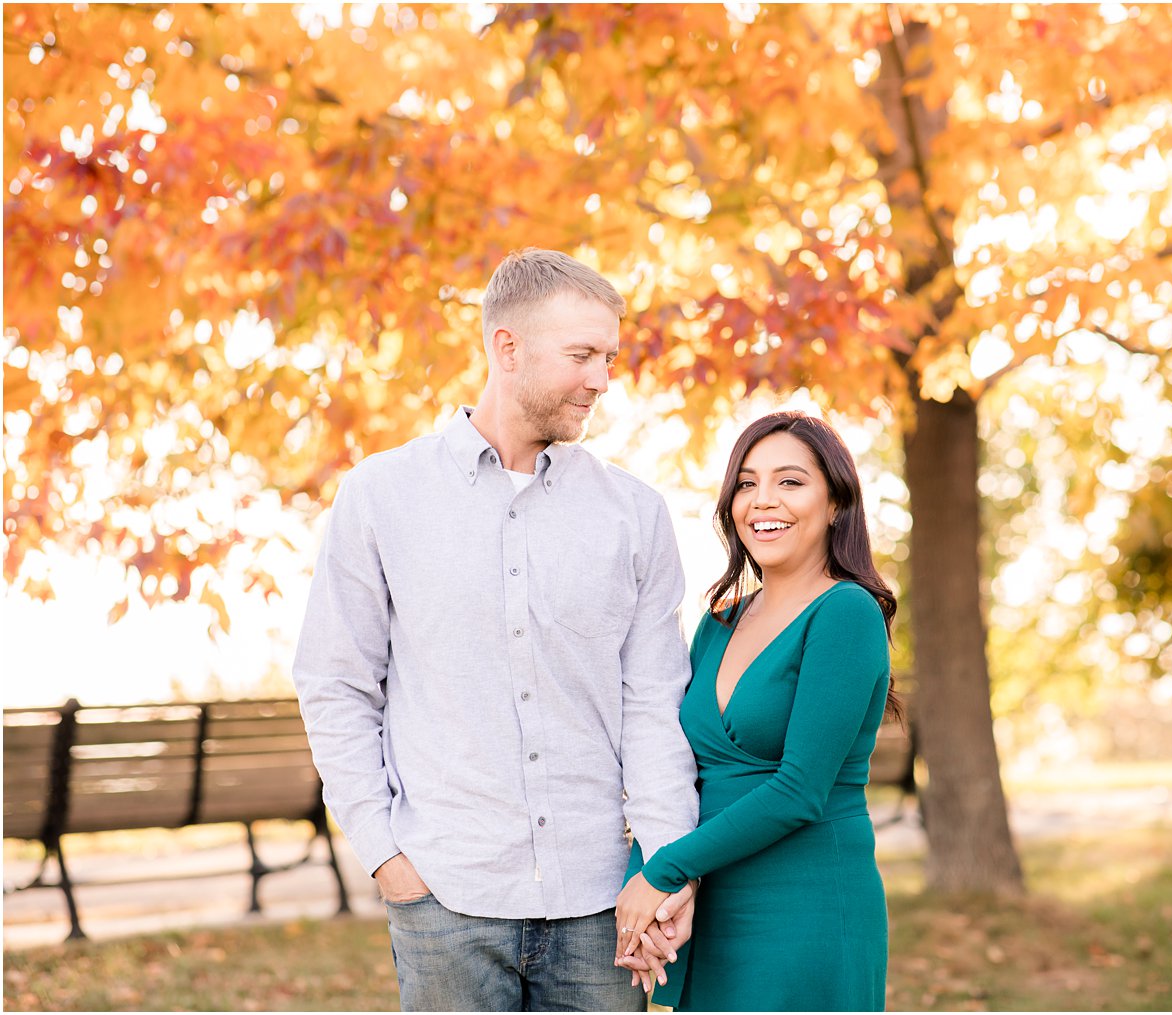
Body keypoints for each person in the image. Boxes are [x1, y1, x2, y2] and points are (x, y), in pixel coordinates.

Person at [292, 248, 699, 1012]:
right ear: (505, 347)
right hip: (446, 895)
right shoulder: (383, 496)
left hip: (601, 903)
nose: (602, 379)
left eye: (609, 356)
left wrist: (665, 863)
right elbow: (335, 684)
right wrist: (388, 859)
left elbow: (653, 702)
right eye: (581, 354)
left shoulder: (634, 515)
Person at [614, 411, 900, 1011]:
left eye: (790, 482)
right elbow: (680, 766)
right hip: (710, 900)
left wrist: (664, 871)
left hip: (807, 904)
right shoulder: (719, 621)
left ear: (836, 503)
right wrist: (656, 885)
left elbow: (800, 790)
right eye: (747, 483)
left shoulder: (847, 614)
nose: (763, 500)